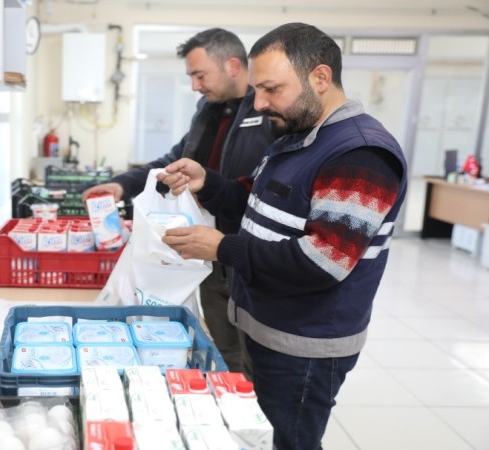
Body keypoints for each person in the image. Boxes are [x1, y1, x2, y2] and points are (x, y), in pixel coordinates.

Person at [157, 22, 407, 449]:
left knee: (289, 441)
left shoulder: (359, 153)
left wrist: (221, 247)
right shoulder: (298, 137)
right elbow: (255, 200)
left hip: (304, 344)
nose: (259, 103)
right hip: (264, 325)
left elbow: (322, 262)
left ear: (320, 77)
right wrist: (208, 182)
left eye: (271, 89)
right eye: (256, 89)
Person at [82, 28, 274, 373]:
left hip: (247, 254)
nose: (195, 86)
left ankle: (252, 400)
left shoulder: (268, 116)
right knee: (222, 347)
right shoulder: (207, 112)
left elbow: (261, 188)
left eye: (200, 75)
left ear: (232, 66)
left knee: (256, 356)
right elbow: (174, 160)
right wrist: (122, 185)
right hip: (203, 252)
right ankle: (227, 393)